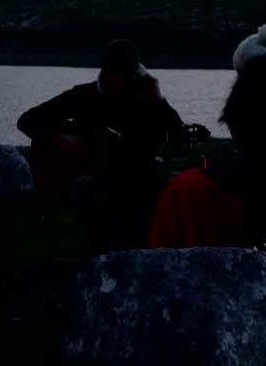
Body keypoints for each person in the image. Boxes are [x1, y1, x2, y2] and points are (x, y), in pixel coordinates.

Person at [148, 24, 266, 259]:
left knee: (185, 191)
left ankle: (181, 261)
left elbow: (262, 176)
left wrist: (216, 169)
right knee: (195, 184)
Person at [17, 39, 204, 253]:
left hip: (137, 181)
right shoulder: (83, 96)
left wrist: (159, 102)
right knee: (91, 193)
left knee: (157, 193)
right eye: (112, 73)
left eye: (123, 75)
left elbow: (185, 143)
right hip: (95, 181)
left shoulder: (147, 103)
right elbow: (28, 119)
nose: (116, 80)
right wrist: (59, 139)